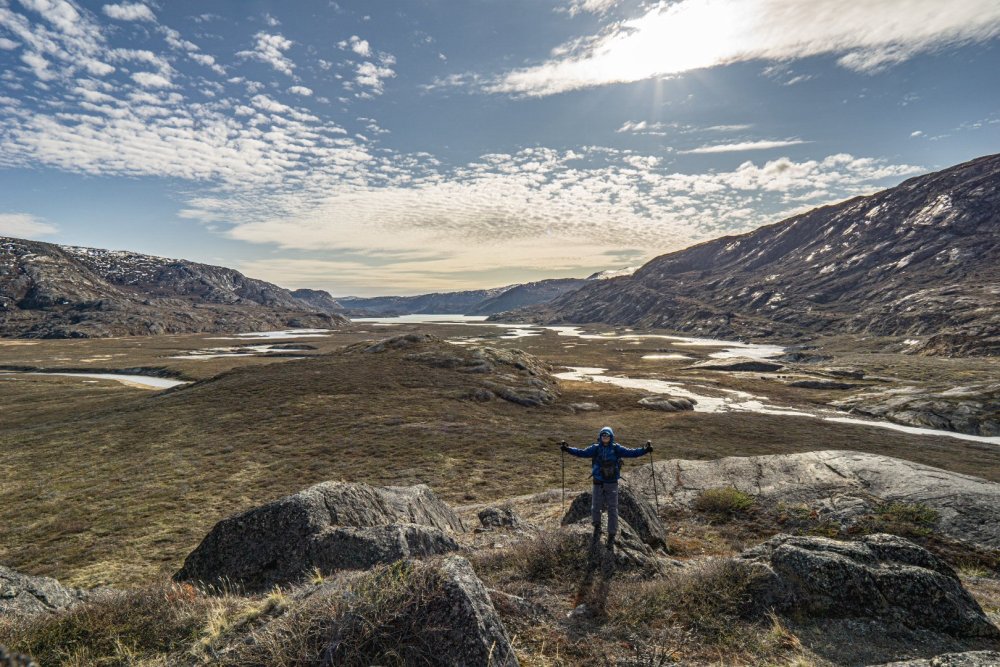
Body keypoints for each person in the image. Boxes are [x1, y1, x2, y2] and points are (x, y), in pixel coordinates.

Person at [561, 426, 652, 551]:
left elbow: (632, 453)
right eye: (603, 435)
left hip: (611, 482)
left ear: (611, 437)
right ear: (600, 436)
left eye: (607, 435)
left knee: (612, 509)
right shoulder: (595, 448)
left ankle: (611, 534)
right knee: (596, 506)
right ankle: (597, 527)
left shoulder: (616, 448)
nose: (605, 437)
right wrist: (567, 449)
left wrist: (644, 450)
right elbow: (581, 453)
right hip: (598, 481)